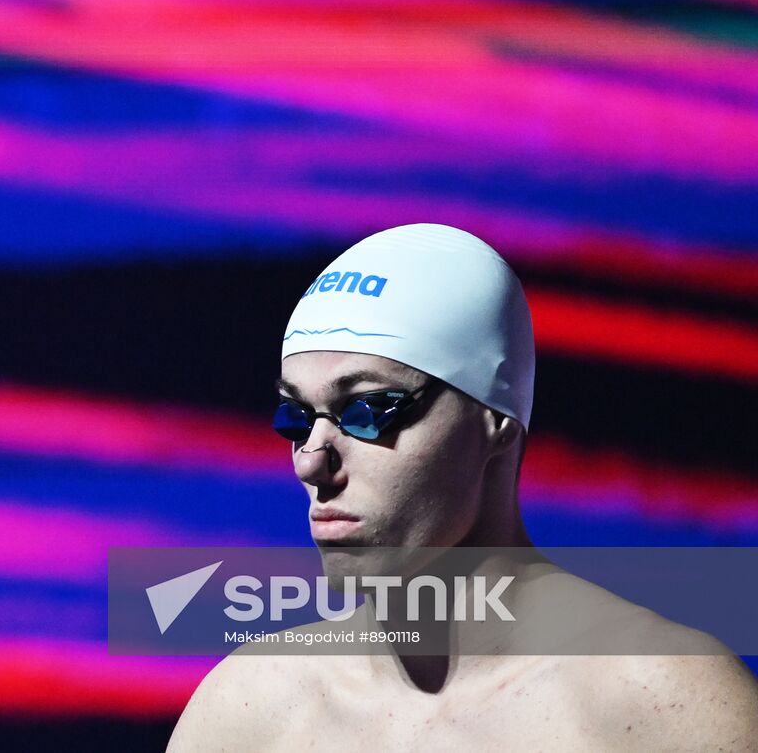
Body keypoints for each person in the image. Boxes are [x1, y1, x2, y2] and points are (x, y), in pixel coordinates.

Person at [166, 223, 758, 752]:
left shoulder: (660, 703)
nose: (311, 465)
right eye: (296, 418)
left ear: (496, 424)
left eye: (370, 409)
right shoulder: (251, 712)